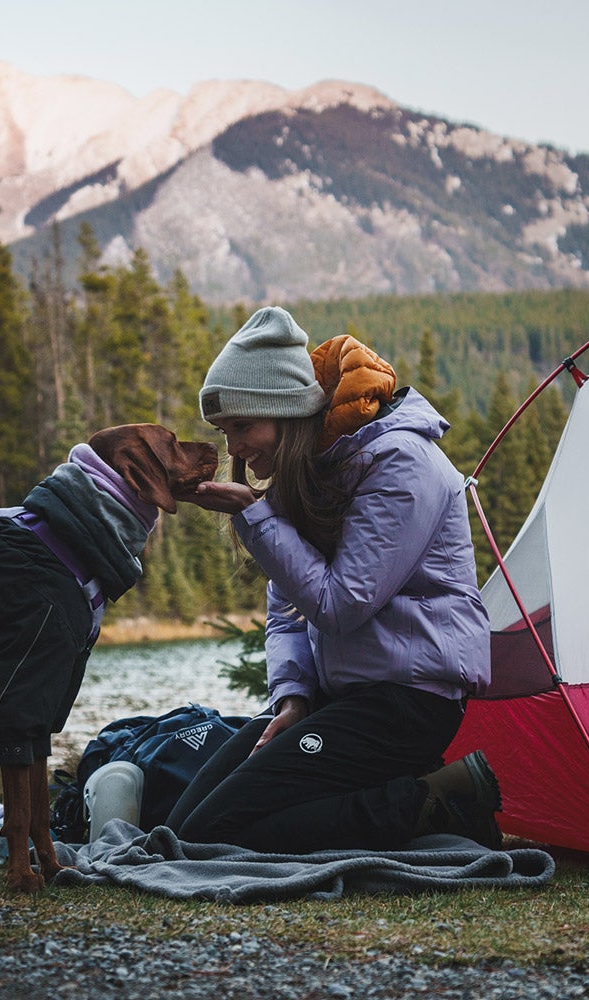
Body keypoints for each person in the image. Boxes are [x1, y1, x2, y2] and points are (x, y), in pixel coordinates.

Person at [172, 306, 502, 852]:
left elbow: (341, 603)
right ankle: (404, 798)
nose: (234, 448)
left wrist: (253, 515)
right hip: (338, 698)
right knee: (187, 827)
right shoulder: (316, 471)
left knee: (216, 832)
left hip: (409, 702)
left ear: (282, 411)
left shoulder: (401, 462)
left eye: (241, 427)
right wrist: (294, 698)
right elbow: (287, 612)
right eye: (224, 431)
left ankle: (435, 808)